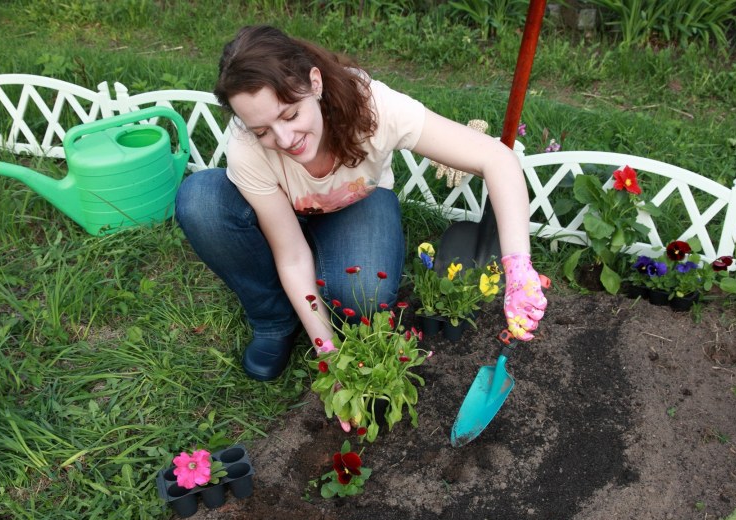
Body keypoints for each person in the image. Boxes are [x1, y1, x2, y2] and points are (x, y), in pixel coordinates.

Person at [175, 25, 547, 384]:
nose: (284, 138)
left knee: (362, 296)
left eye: (289, 115)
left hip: (355, 205)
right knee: (201, 199)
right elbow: (291, 255)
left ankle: (325, 277)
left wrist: (518, 267)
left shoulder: (374, 106)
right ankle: (274, 318)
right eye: (263, 131)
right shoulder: (247, 147)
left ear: (315, 83)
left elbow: (497, 159)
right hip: (279, 214)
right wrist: (329, 354)